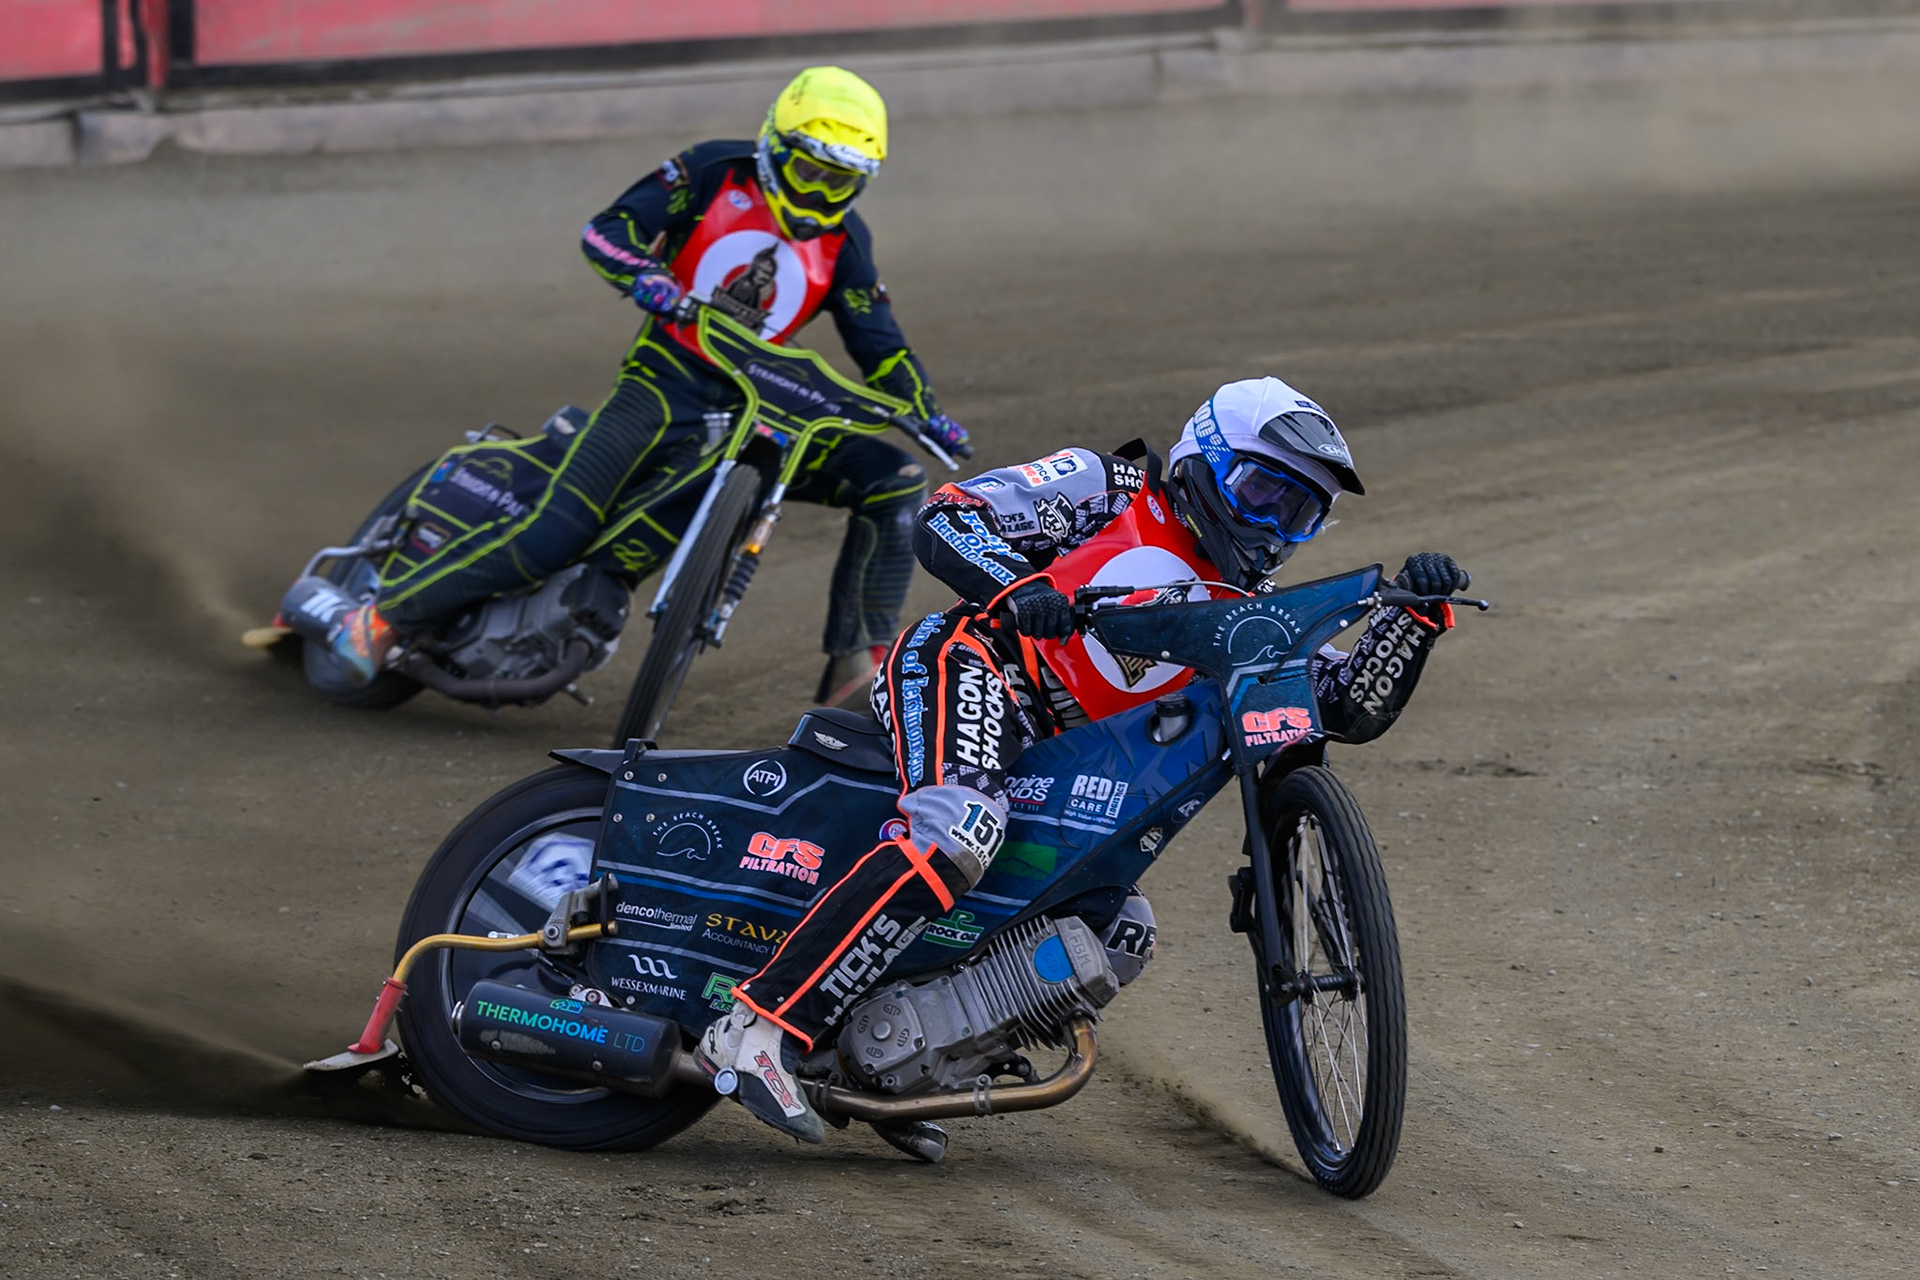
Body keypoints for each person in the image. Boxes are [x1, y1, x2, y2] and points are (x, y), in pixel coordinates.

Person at [696, 375, 1471, 1144]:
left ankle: (892, 1068)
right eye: (1261, 489)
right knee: (957, 830)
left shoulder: (1246, 613)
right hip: (976, 665)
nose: (1273, 524)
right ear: (1202, 458)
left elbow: (1342, 705)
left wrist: (1410, 623)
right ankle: (757, 1025)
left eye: (1299, 511)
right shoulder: (1111, 487)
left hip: (1057, 756)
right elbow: (947, 515)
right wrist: (1021, 587)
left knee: (1119, 932)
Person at [321, 66, 969, 705]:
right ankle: (380, 619)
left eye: (843, 181)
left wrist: (927, 411)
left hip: (765, 413)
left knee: (897, 483)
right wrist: (647, 278)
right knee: (556, 533)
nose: (821, 194)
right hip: (663, 385)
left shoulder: (848, 241)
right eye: (810, 172)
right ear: (776, 146)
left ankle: (858, 677)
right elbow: (609, 231)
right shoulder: (714, 171)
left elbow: (880, 345)